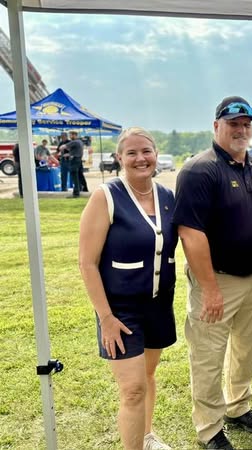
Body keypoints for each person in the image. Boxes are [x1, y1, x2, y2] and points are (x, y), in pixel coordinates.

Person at [173, 96, 252, 450]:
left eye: (246, 124)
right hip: (216, 280)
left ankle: (238, 406)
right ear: (216, 126)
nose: (241, 130)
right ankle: (209, 427)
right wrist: (210, 289)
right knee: (208, 356)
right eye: (233, 124)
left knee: (246, 349)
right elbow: (190, 233)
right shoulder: (198, 170)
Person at [79, 127, 178, 450]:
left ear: (156, 154)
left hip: (158, 305)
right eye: (132, 153)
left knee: (147, 377)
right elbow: (87, 263)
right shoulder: (105, 197)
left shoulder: (167, 197)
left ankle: (146, 436)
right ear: (119, 158)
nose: (140, 158)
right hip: (120, 310)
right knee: (132, 389)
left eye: (146, 151)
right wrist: (105, 317)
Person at [60, 131, 84, 197]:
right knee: (78, 176)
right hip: (79, 160)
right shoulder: (80, 142)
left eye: (70, 135)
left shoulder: (74, 142)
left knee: (74, 176)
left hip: (74, 161)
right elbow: (75, 151)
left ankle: (76, 193)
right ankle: (80, 189)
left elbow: (62, 147)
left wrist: (62, 149)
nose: (70, 136)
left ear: (74, 135)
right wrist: (69, 153)